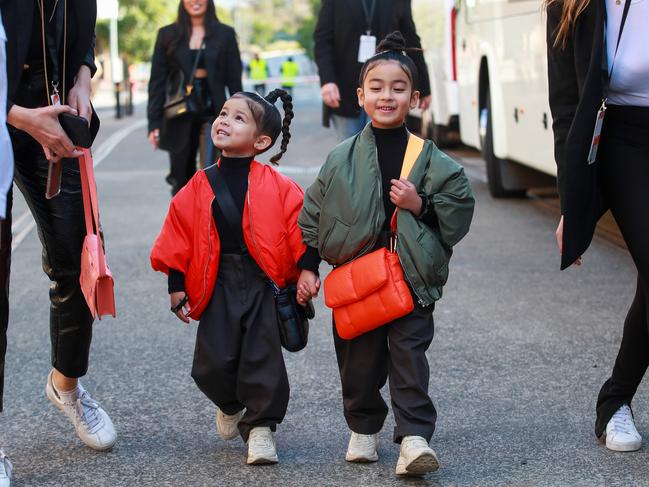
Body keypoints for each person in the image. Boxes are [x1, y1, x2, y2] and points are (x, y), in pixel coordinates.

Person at [297, 32, 474, 476]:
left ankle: (414, 438)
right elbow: (313, 212)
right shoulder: (341, 157)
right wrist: (307, 266)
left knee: (408, 356)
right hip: (357, 279)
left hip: (411, 278)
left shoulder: (432, 158)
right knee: (358, 359)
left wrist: (420, 204)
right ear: (360, 96)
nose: (387, 96)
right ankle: (362, 427)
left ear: (414, 98)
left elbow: (458, 208)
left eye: (398, 88)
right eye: (376, 87)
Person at [151, 89, 314, 465]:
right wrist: (176, 285)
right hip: (216, 279)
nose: (224, 121)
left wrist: (306, 269)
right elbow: (178, 233)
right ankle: (229, 403)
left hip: (263, 281)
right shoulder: (198, 184)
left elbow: (301, 230)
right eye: (223, 113)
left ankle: (260, 429)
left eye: (238, 118)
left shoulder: (279, 186)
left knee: (262, 356)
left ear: (261, 141)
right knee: (211, 363)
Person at [0, 1, 117, 482]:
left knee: (78, 255)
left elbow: (79, 32)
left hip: (55, 108)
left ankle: (66, 384)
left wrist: (83, 79)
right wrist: (22, 116)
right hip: (10, 110)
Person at [547, 0, 649, 452]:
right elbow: (567, 107)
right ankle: (615, 400)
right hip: (627, 140)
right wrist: (574, 201)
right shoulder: (572, 5)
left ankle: (615, 400)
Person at [148, 0, 243, 195]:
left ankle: (208, 221)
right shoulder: (167, 35)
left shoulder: (225, 34)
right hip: (179, 110)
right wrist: (153, 122)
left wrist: (242, 117)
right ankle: (184, 221)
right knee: (181, 176)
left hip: (214, 110)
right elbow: (157, 82)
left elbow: (234, 81)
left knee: (211, 173)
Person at [313, 0, 432, 142]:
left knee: (384, 152)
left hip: (387, 91)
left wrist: (424, 87)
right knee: (350, 154)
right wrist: (328, 81)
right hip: (344, 92)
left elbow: (410, 37)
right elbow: (323, 40)